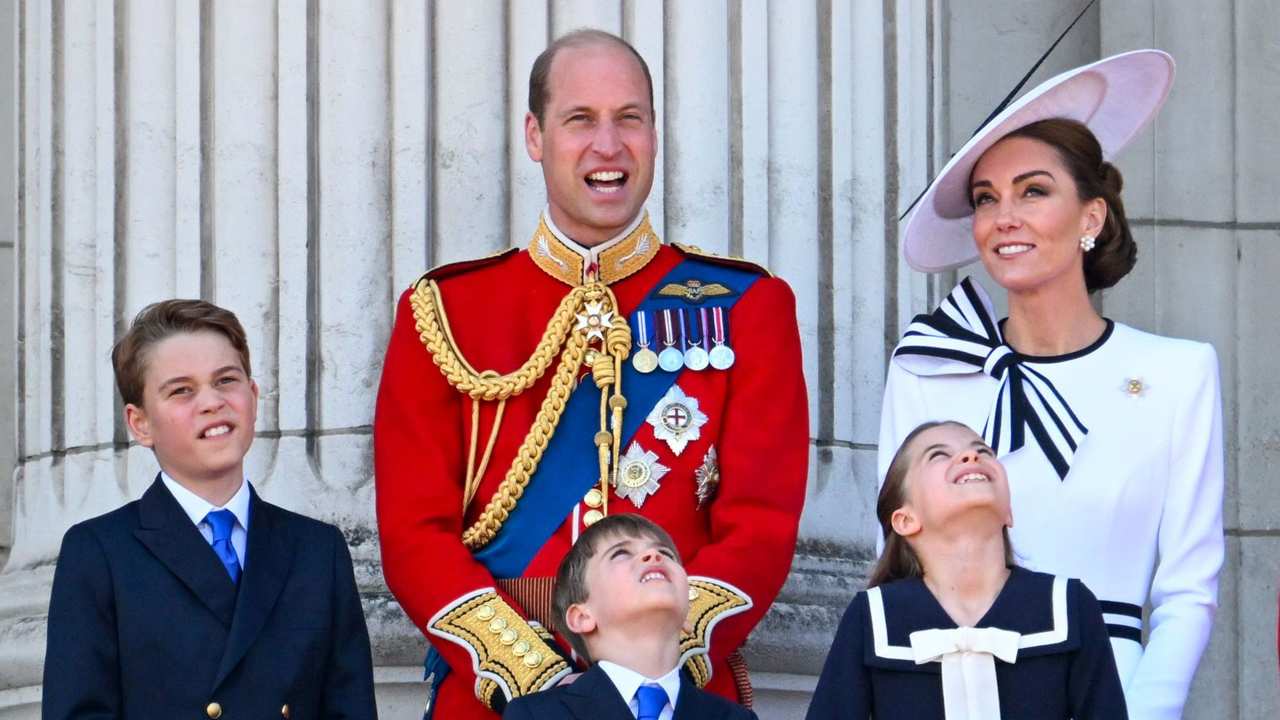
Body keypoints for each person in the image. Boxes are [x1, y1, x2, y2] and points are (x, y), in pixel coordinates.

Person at [374, 28, 808, 718]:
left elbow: (760, 527)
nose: (608, 147)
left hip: (680, 694)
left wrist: (654, 663)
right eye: (581, 120)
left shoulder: (747, 307)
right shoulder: (447, 311)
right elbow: (412, 534)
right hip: (498, 699)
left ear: (655, 134)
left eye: (628, 118)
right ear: (535, 136)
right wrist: (536, 679)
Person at [880, 51, 1223, 719]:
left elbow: (1188, 589)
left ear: (1090, 218)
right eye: (986, 200)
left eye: (1033, 191)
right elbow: (896, 562)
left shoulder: (1179, 374)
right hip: (952, 688)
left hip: (1114, 691)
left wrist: (1146, 714)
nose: (1005, 216)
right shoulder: (925, 368)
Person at [42, 300, 377, 719]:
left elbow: (350, 709)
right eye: (181, 390)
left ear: (252, 397)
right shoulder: (99, 552)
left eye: (226, 380)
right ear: (140, 423)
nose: (212, 401)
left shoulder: (317, 550)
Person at [810, 422, 1126, 719]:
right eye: (938, 455)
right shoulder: (872, 617)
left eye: (984, 451)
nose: (971, 455)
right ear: (905, 520)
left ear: (1009, 512)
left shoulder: (1069, 607)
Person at [502, 514, 758, 719]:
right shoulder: (536, 714)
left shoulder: (734, 717)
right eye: (621, 553)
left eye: (666, 554)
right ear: (582, 617)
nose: (653, 555)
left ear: (687, 614)